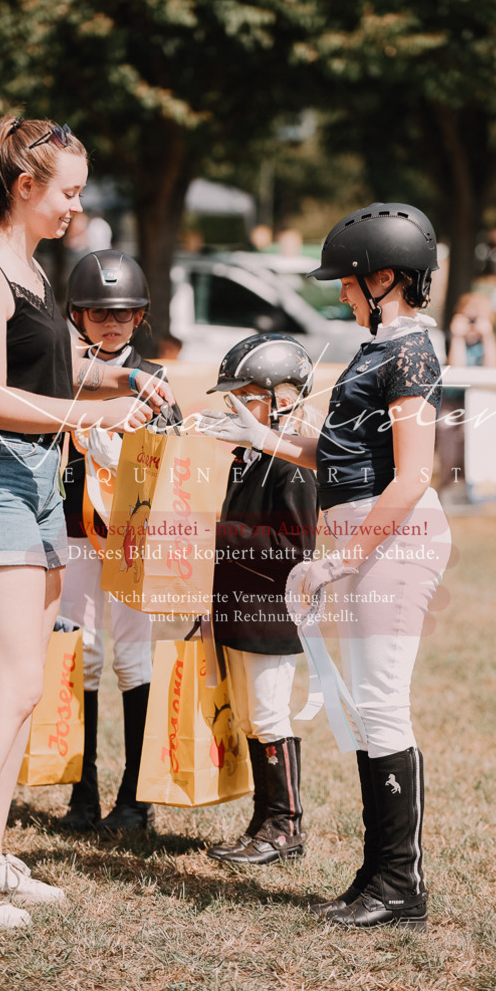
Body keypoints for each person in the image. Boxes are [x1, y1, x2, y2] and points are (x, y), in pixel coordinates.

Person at [0, 116, 174, 930]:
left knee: (17, 686)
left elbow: (57, 359)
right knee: (17, 684)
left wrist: (124, 383)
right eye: (66, 192)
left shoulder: (27, 267)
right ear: (24, 188)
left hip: (30, 479)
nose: (76, 208)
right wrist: (90, 412)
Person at [199, 203, 451, 930]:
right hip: (367, 541)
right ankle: (377, 875)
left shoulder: (409, 355)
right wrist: (264, 435)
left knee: (380, 706)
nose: (340, 293)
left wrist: (341, 560)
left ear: (382, 277)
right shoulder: (379, 350)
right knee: (369, 713)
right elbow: (340, 457)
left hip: (389, 542)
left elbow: (409, 476)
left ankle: (400, 886)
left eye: (346, 281)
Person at [57, 249, 180, 834]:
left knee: (132, 656)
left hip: (134, 538)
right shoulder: (58, 372)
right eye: (98, 312)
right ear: (77, 315)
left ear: (141, 316)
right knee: (80, 654)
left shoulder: (154, 381)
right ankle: (81, 791)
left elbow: (175, 466)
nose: (111, 322)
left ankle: (135, 798)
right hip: (75, 530)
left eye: (124, 313)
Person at [204, 333, 320, 866]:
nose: (234, 406)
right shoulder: (244, 459)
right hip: (240, 609)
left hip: (272, 613)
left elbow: (295, 546)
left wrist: (219, 535)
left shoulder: (293, 466)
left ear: (283, 398)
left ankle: (287, 825)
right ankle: (263, 817)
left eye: (245, 395)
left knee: (271, 715)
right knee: (251, 717)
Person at [437, 292, 496, 495]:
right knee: (446, 427)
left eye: (477, 319)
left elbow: (493, 370)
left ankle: (474, 488)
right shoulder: (446, 340)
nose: (472, 324)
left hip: (482, 403)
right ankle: (446, 486)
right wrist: (457, 337)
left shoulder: (489, 341)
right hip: (452, 400)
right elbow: (458, 369)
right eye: (468, 318)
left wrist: (487, 335)